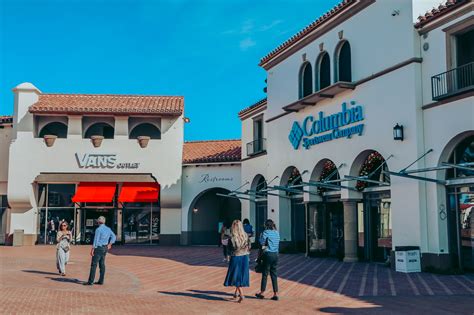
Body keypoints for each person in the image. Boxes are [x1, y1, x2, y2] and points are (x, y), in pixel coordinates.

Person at [84, 216, 116, 286]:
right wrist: (110, 244)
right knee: (102, 264)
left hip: (99, 248)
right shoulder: (108, 229)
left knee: (94, 264)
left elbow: (96, 240)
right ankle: (101, 281)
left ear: (98, 222)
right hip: (105, 248)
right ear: (104, 222)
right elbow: (114, 236)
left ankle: (90, 281)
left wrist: (92, 249)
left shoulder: (98, 229)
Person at [223, 220, 250, 303]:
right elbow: (249, 246)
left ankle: (241, 294)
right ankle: (236, 293)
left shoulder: (232, 238)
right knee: (240, 275)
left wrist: (227, 257)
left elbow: (229, 250)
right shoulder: (246, 236)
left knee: (235, 275)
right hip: (245, 257)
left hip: (236, 257)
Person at [255, 219, 280, 301]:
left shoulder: (265, 232)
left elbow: (261, 243)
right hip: (276, 254)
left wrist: (261, 237)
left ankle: (262, 292)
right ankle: (275, 293)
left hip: (268, 254)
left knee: (265, 273)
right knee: (274, 274)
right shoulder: (276, 232)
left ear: (266, 225)